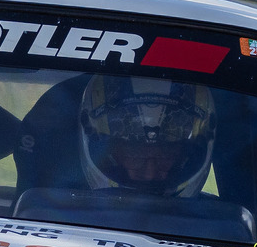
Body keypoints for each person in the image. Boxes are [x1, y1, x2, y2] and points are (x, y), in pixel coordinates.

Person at [77, 75, 217, 197]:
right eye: (135, 153)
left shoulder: (224, 223)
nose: (149, 174)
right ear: (102, 149)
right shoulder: (63, 216)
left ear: (189, 155)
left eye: (165, 154)